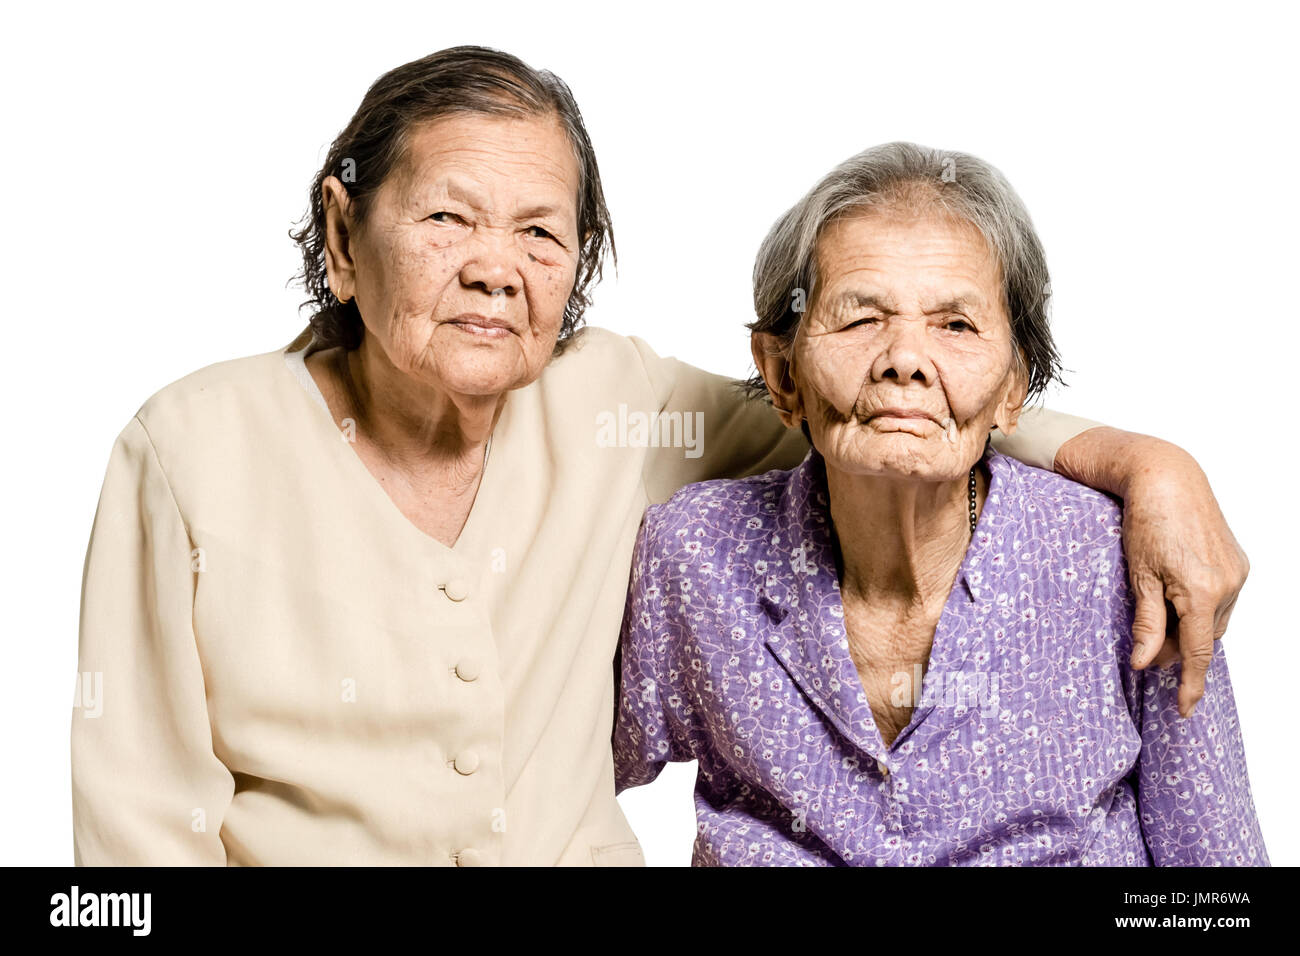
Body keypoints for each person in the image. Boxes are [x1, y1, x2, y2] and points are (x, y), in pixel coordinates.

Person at [74, 48, 1248, 866]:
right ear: (342, 233)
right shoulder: (190, 450)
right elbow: (136, 829)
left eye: (541, 232)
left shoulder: (613, 402)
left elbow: (880, 418)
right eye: (446, 219)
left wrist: (1146, 462)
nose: (496, 267)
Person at [613, 142, 1268, 865]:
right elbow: (549, 783)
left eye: (955, 325)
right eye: (861, 318)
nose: (906, 358)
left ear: (1015, 389)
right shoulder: (694, 555)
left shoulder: (1119, 561)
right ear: (782, 374)